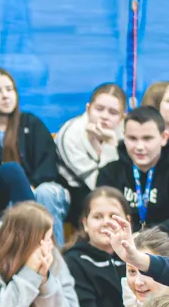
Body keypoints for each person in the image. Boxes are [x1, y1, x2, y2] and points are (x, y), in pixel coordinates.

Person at [0, 68, 69, 240]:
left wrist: (32, 184)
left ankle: (53, 253)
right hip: (0, 197)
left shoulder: (30, 123)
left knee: (46, 193)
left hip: (39, 187)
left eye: (9, 89)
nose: (5, 96)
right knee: (11, 205)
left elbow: (48, 163)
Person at [95, 105, 169, 231]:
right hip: (120, 239)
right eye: (132, 138)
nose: (139, 147)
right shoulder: (109, 173)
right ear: (124, 137)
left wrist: (145, 237)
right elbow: (102, 217)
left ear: (164, 138)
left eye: (147, 139)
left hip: (166, 241)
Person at [54, 83, 128, 218]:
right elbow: (102, 187)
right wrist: (109, 146)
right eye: (99, 109)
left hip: (119, 191)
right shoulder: (71, 134)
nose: (105, 116)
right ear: (88, 109)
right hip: (76, 191)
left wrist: (110, 142)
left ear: (122, 118)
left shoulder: (127, 134)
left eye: (113, 112)